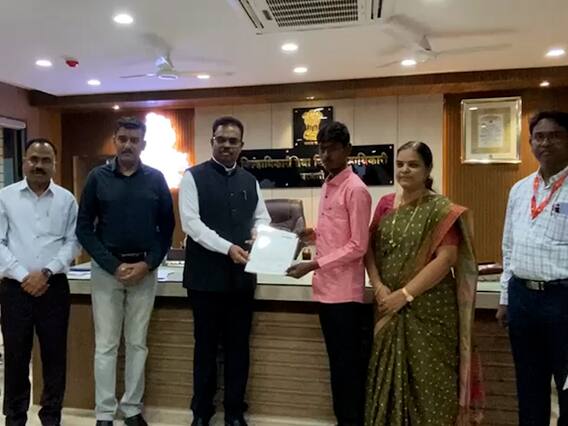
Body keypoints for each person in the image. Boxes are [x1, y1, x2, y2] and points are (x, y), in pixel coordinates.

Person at [364, 141, 482, 425]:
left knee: (431, 385)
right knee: (387, 384)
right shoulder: (385, 204)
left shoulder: (441, 209)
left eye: (413, 164)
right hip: (387, 306)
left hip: (430, 312)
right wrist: (378, 286)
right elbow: (369, 249)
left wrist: (404, 294)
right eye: (400, 164)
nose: (405, 170)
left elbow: (447, 258)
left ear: (428, 169)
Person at [76, 117, 175, 426]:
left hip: (144, 272)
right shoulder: (97, 178)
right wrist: (113, 265)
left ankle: (131, 408)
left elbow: (166, 229)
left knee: (137, 344)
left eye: (134, 139)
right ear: (114, 141)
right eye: (123, 139)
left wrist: (148, 264)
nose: (128, 144)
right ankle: (104, 413)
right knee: (106, 345)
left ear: (143, 144)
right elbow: (84, 228)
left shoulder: (156, 179)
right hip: (107, 272)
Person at [179, 116, 271, 426]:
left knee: (238, 349)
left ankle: (234, 412)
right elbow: (191, 224)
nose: (227, 145)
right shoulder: (192, 177)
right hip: (204, 280)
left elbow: (262, 217)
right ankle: (201, 412)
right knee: (205, 349)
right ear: (212, 142)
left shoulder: (250, 180)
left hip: (241, 280)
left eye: (233, 141)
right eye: (221, 140)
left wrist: (259, 232)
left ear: (242, 145)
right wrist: (227, 247)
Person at [287, 121, 372, 426]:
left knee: (347, 369)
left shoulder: (356, 189)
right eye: (322, 149)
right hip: (324, 292)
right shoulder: (328, 184)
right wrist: (311, 234)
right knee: (337, 365)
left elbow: (358, 245)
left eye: (333, 149)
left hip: (344, 296)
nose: (326, 155)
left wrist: (313, 264)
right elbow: (334, 234)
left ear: (348, 150)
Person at [0, 139, 80, 426]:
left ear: (54, 165)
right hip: (15, 289)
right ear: (24, 162)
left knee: (55, 358)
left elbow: (73, 242)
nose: (39, 165)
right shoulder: (5, 197)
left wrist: (46, 272)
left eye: (46, 160)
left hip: (53, 287)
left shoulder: (67, 200)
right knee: (16, 357)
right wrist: (24, 275)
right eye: (33, 159)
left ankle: (51, 418)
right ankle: (15, 418)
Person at [496, 111, 568, 425]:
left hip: (563, 299)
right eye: (539, 137)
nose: (545, 143)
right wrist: (505, 298)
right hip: (523, 298)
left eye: (555, 136)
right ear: (530, 143)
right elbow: (509, 246)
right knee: (529, 386)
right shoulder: (520, 189)